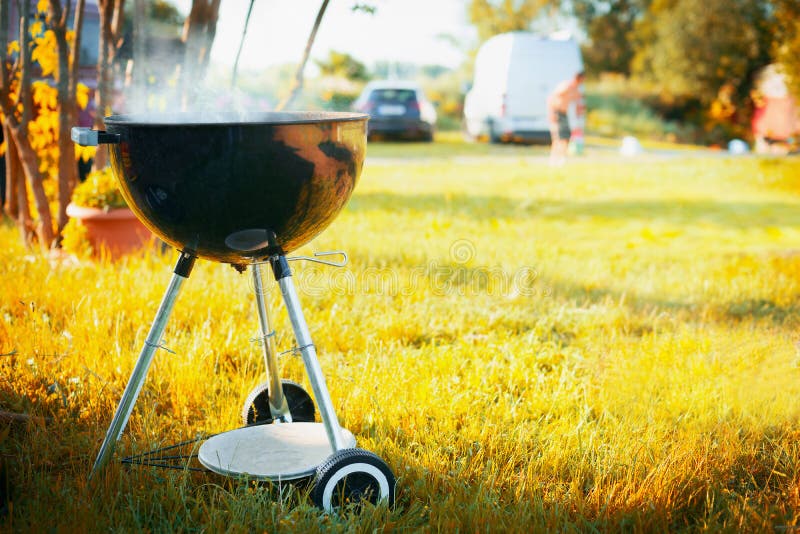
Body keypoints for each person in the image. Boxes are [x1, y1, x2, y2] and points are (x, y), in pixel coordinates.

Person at [547, 71, 585, 166]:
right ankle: (554, 159)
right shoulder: (565, 86)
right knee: (558, 137)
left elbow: (578, 104)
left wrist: (579, 114)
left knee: (565, 137)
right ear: (579, 78)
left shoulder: (576, 90)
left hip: (564, 114)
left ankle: (561, 158)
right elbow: (552, 98)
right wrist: (551, 113)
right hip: (557, 112)